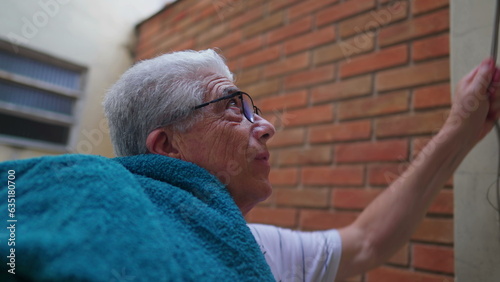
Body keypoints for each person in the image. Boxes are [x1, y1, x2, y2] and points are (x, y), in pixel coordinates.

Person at [1, 49, 499, 281]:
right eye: (231, 107)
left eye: (255, 109)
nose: (265, 126)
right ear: (167, 147)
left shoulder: (252, 248)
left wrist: (461, 127)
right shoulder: (86, 205)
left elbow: (368, 242)